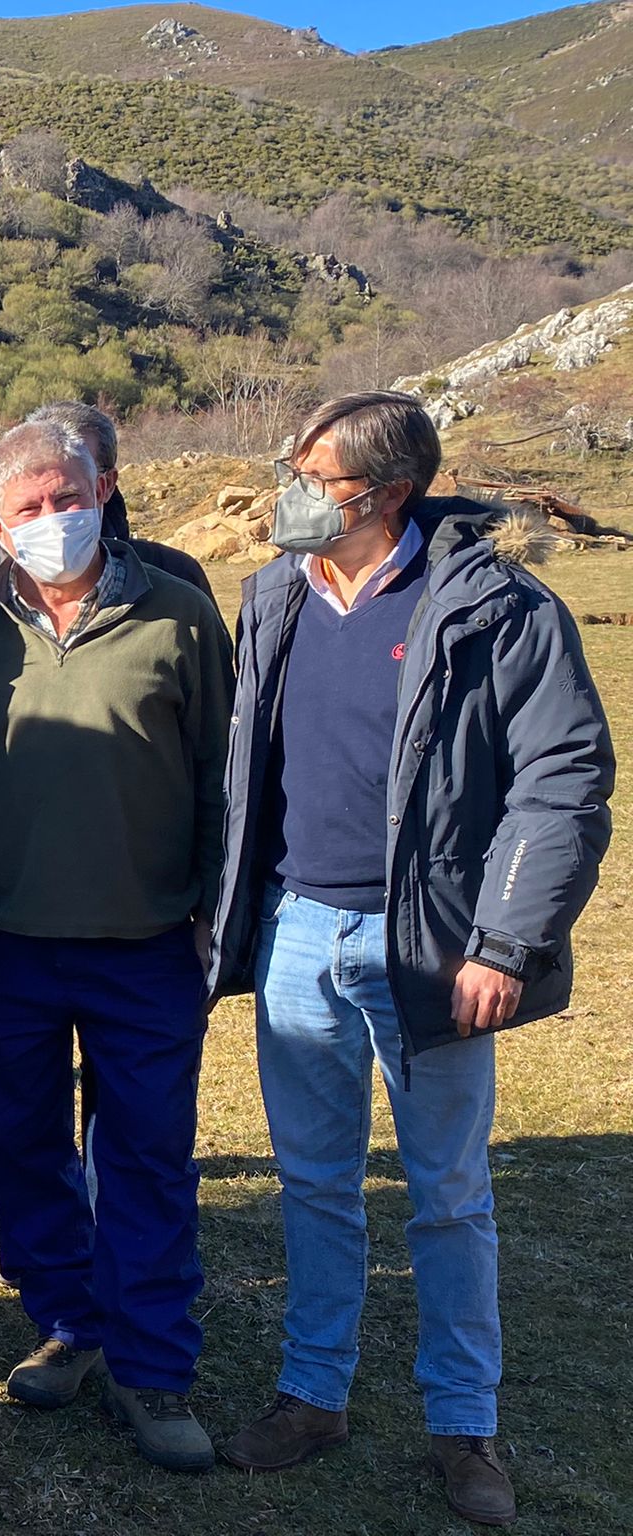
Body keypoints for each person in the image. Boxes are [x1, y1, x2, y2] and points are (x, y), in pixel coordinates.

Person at [207, 392, 614, 1526]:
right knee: (313, 1183)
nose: (289, 492)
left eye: (310, 476)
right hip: (296, 932)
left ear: (381, 494)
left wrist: (503, 943)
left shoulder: (494, 609)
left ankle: (463, 1426)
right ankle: (310, 1395)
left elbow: (562, 779)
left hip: (432, 949)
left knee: (443, 1193)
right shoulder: (273, 595)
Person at [0, 419, 232, 1473]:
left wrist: (213, 914)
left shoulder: (181, 617)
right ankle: (68, 1323)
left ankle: (152, 1370)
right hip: (6, 944)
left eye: (69, 498)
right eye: (28, 509)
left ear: (103, 491)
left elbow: (218, 781)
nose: (53, 520)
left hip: (145, 941)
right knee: (21, 1150)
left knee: (146, 1158)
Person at [0, 400, 210, 611]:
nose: (52, 518)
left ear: (103, 485)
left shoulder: (176, 580)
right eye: (30, 505)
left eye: (68, 492)